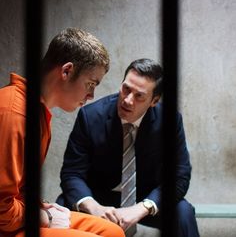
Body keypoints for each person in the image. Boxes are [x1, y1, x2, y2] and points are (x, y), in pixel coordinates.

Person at [0, 27, 125, 237]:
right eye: (91, 84)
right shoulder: (15, 113)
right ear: (66, 71)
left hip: (16, 214)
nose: (92, 95)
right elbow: (2, 211)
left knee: (113, 232)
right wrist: (44, 217)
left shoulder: (37, 112)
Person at [57, 58, 200, 237]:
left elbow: (179, 175)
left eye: (139, 95)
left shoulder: (169, 121)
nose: (127, 100)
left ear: (154, 101)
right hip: (99, 198)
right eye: (126, 89)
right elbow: (72, 173)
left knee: (183, 212)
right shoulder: (90, 116)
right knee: (63, 205)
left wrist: (144, 207)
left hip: (144, 197)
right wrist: (92, 206)